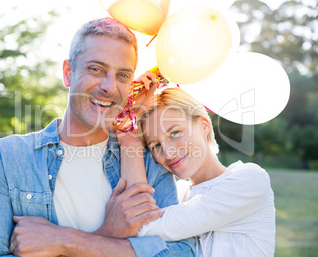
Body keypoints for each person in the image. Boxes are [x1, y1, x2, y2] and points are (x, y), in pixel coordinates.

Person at [0, 18, 196, 256]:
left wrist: (65, 241)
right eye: (96, 69)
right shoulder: (6, 157)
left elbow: (181, 252)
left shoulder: (148, 162)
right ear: (68, 73)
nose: (109, 87)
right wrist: (108, 236)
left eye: (122, 75)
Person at [118, 87, 276, 256]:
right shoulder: (178, 193)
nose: (168, 153)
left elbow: (139, 225)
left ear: (203, 125)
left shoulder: (248, 180)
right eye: (155, 145)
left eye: (175, 133)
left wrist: (130, 143)